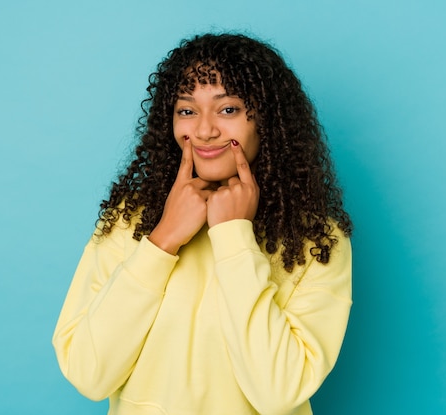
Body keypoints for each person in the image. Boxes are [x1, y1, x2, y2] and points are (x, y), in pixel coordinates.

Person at [52, 32, 353, 415]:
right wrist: (162, 241)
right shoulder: (131, 220)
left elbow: (278, 393)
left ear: (266, 119)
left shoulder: (318, 239)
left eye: (228, 109)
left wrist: (233, 238)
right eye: (187, 110)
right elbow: (88, 373)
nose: (205, 130)